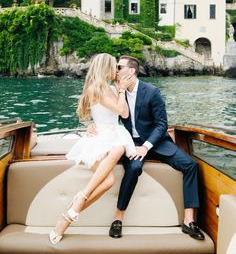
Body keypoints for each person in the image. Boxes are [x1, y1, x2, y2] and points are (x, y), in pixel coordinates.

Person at [88, 55, 205, 241]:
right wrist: (93, 125)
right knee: (134, 168)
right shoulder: (115, 91)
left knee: (190, 164)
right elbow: (107, 115)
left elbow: (161, 124)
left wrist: (146, 146)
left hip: (155, 141)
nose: (115, 70)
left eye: (119, 67)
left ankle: (189, 221)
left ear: (131, 71)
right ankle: (118, 218)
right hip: (129, 142)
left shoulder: (152, 92)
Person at [49, 53, 137, 244]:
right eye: (114, 67)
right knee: (109, 177)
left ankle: (69, 213)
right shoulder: (95, 88)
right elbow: (119, 110)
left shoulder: (112, 88)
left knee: (118, 153)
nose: (116, 71)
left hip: (113, 134)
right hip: (100, 138)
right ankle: (80, 198)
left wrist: (120, 90)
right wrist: (121, 91)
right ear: (106, 68)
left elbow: (125, 112)